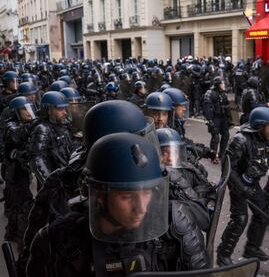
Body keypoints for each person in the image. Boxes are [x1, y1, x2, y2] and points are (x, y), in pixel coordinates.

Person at [27, 133, 209, 276]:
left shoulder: (172, 229)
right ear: (99, 195)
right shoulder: (57, 239)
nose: (141, 207)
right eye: (126, 196)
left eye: (147, 193)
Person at [216, 107, 269, 266]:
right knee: (240, 219)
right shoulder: (240, 141)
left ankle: (252, 248)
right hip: (238, 185)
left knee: (263, 213)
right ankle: (223, 254)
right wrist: (242, 189)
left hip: (253, 183)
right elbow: (227, 168)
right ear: (261, 126)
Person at [3, 96, 37, 249]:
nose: (29, 113)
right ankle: (24, 243)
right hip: (14, 173)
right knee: (25, 206)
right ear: (17, 112)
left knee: (17, 206)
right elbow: (17, 135)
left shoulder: (26, 124)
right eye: (25, 110)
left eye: (30, 109)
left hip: (22, 172)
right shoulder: (11, 126)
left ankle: (11, 233)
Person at [29, 91, 74, 185]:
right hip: (55, 182)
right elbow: (37, 160)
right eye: (60, 109)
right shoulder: (42, 129)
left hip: (66, 176)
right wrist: (50, 185)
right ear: (48, 110)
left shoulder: (63, 126)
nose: (65, 113)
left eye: (65, 108)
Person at [203, 76, 232, 164]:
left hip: (223, 118)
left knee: (226, 136)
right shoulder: (210, 93)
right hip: (215, 117)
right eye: (222, 83)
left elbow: (228, 107)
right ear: (217, 84)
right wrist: (209, 120)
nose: (223, 85)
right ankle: (213, 156)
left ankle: (221, 154)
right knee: (215, 137)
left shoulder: (223, 93)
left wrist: (230, 119)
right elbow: (207, 107)